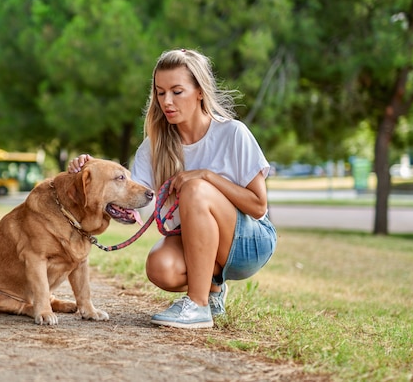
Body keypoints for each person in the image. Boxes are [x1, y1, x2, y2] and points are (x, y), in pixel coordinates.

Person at [68, 48, 276, 329]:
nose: (166, 101)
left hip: (249, 244)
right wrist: (89, 171)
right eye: (160, 92)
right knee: (160, 267)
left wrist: (205, 176)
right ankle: (213, 289)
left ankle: (198, 305)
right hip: (198, 242)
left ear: (200, 91)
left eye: (177, 91)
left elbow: (258, 206)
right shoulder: (154, 147)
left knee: (194, 189)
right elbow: (128, 194)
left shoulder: (233, 133)